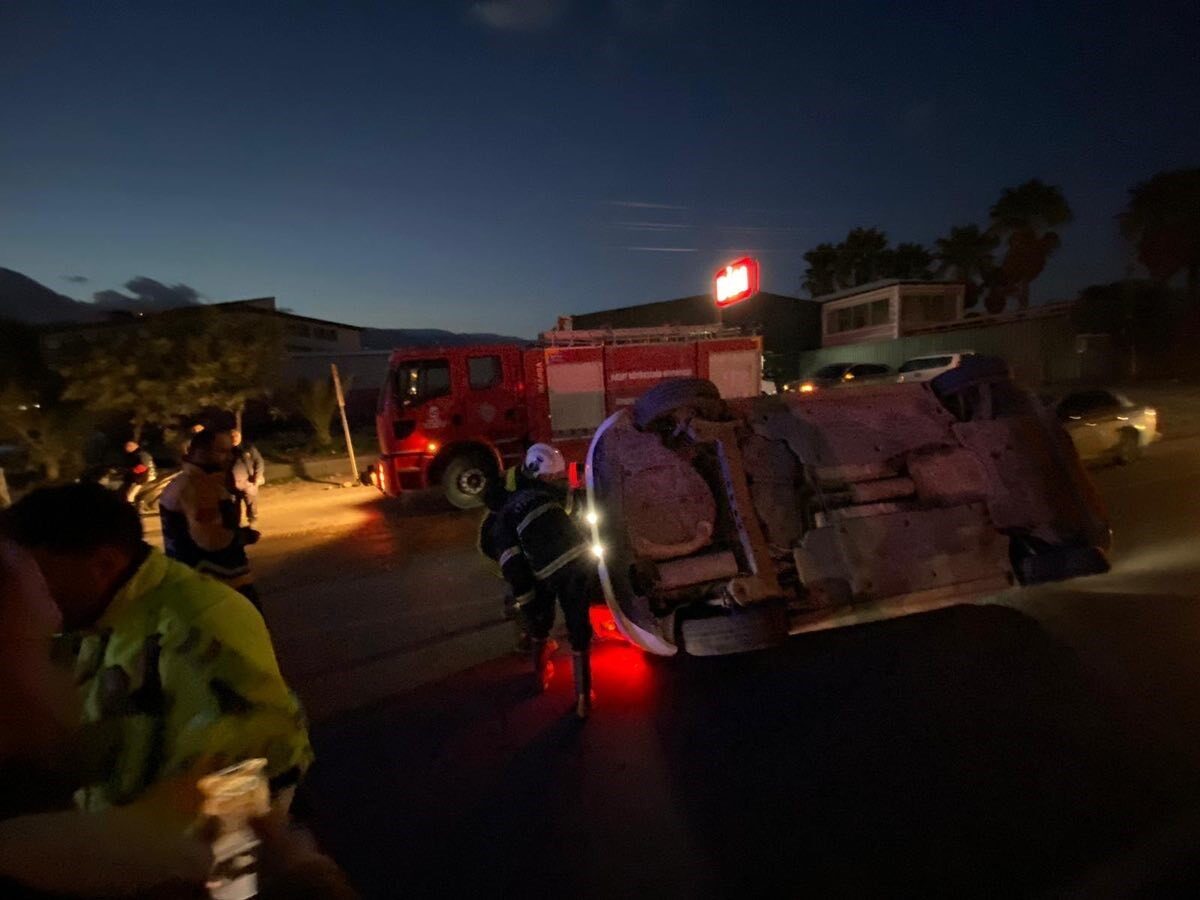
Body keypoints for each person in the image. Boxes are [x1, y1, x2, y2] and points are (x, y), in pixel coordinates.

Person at [0, 533, 355, 899]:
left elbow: (260, 732)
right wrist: (296, 867)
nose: (66, 668)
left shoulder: (196, 615)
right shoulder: (79, 864)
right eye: (46, 647)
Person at [1, 482, 312, 813]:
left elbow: (244, 780)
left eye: (38, 578)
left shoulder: (199, 622)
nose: (29, 597)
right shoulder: (95, 619)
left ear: (104, 564)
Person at [491, 443, 595, 718]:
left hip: (544, 570)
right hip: (577, 561)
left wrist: (527, 605)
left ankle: (539, 676)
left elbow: (514, 567)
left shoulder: (504, 515)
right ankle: (584, 697)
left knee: (540, 622)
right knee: (578, 625)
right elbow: (573, 507)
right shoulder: (544, 496)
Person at [160, 427, 261, 609]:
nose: (230, 456)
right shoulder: (197, 487)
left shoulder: (198, 481)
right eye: (222, 451)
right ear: (200, 452)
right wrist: (242, 537)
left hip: (204, 579)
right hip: (218, 581)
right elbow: (211, 540)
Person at [230, 429, 266, 525]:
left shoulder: (248, 448)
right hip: (231, 484)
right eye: (232, 436)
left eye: (236, 436)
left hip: (248, 482)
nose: (234, 439)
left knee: (251, 505)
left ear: (240, 436)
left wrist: (258, 476)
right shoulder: (225, 450)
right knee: (234, 507)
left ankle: (252, 524)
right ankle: (237, 526)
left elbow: (259, 462)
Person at [120, 439, 156, 506]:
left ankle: (131, 507)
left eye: (129, 446)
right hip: (141, 477)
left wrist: (130, 471)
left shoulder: (142, 454)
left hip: (145, 477)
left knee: (130, 496)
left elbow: (143, 467)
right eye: (126, 446)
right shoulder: (135, 454)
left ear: (135, 446)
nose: (126, 448)